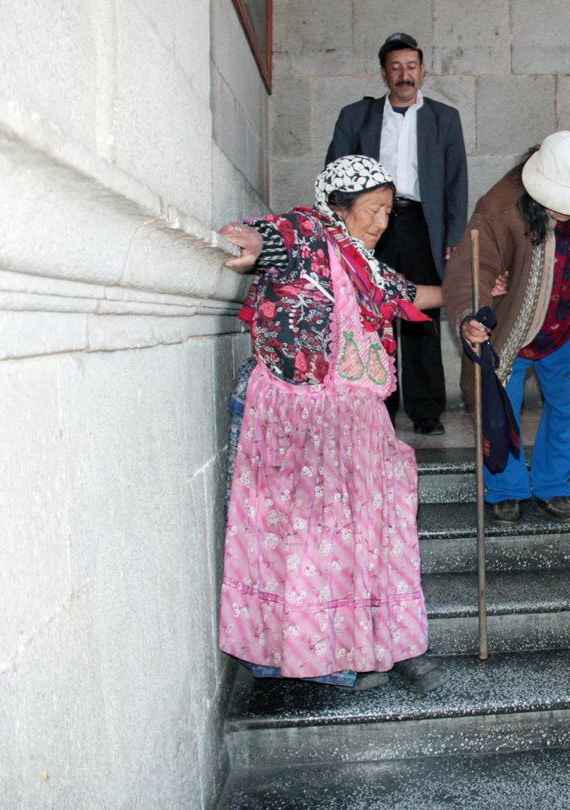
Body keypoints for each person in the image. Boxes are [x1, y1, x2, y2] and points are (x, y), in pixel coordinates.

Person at [216, 155, 447, 694]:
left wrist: (474, 294)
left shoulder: (366, 266)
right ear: (336, 207)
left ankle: (374, 643)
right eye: (371, 210)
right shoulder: (307, 235)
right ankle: (306, 656)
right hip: (300, 415)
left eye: (387, 212)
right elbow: (269, 237)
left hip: (355, 421)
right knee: (309, 539)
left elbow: (412, 296)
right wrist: (249, 241)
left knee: (364, 538)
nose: (380, 223)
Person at [443, 131, 570, 525]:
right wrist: (471, 314)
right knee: (500, 410)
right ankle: (505, 489)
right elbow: (474, 265)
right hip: (509, 327)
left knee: (569, 406)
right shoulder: (501, 204)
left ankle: (553, 486)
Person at [326, 32, 468, 436]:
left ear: (422, 71)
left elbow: (457, 180)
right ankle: (377, 403)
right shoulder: (357, 116)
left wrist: (453, 233)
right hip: (371, 224)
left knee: (422, 314)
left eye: (411, 66)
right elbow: (334, 172)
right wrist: (341, 230)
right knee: (370, 310)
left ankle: (426, 410)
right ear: (384, 73)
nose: (404, 75)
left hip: (423, 224)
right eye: (395, 67)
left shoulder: (445, 118)